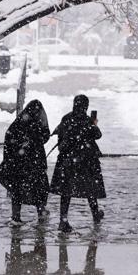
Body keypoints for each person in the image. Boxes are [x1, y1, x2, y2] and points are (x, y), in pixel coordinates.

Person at [50, 95, 106, 233]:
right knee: (90, 188)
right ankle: (95, 214)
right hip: (86, 160)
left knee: (66, 190)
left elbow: (60, 138)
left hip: (68, 160)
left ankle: (63, 220)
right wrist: (94, 124)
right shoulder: (87, 121)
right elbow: (98, 135)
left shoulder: (66, 118)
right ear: (86, 106)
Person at [0, 99, 50, 225]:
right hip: (34, 165)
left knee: (17, 191)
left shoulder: (17, 124)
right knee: (39, 190)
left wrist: (14, 156)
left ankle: (16, 216)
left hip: (18, 165)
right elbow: (44, 137)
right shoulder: (36, 125)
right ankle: (41, 212)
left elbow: (9, 140)